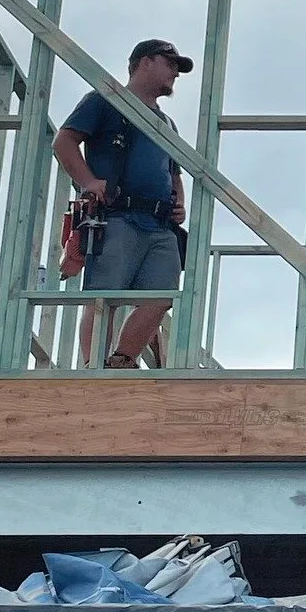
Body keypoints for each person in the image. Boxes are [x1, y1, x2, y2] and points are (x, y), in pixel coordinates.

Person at [52, 39, 191, 369]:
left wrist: (179, 202)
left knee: (160, 298)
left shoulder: (167, 124)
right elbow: (64, 141)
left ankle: (122, 360)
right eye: (169, 64)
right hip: (116, 216)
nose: (175, 73)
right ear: (144, 62)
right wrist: (88, 182)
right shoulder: (106, 102)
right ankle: (94, 367)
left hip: (159, 224)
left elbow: (174, 171)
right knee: (104, 297)